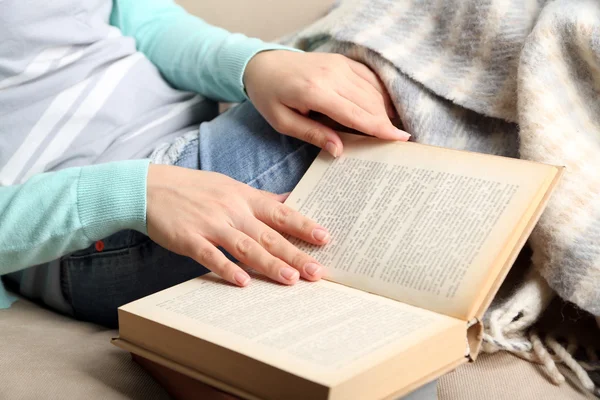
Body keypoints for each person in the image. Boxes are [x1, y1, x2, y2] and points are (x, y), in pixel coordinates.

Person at [0, 0, 407, 333]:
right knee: (398, 52)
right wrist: (136, 192)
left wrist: (255, 65)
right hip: (94, 223)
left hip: (199, 137)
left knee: (352, 75)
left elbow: (143, 21)